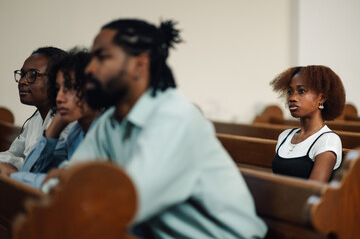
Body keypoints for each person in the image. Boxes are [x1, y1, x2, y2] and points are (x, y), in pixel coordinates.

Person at [43, 19, 267, 238]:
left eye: (102, 57)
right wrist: (64, 185)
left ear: (139, 65)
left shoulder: (175, 118)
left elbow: (128, 204)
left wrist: (71, 188)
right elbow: (64, 181)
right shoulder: (110, 122)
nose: (90, 69)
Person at [10, 48, 102, 188]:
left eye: (70, 87)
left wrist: (12, 176)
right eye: (58, 89)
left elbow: (64, 186)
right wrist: (55, 127)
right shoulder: (76, 132)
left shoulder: (103, 129)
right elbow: (31, 170)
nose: (59, 98)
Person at [270, 65, 345, 182]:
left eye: (301, 91)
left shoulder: (327, 140)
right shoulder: (285, 136)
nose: (292, 98)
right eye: (290, 91)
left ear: (322, 98)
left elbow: (312, 191)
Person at [0, 47, 67, 176]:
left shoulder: (66, 122)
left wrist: (14, 167)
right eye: (22, 74)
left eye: (33, 75)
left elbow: (40, 169)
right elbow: (13, 153)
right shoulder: (36, 118)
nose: (22, 81)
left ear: (56, 80)